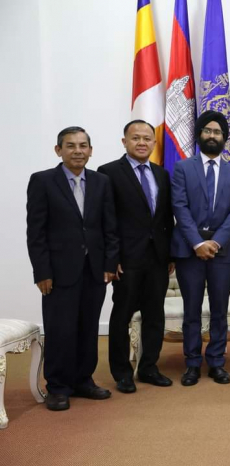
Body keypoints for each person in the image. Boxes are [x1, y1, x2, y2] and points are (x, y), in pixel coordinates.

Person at [26, 126, 119, 411]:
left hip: (94, 270)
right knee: (60, 330)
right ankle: (57, 386)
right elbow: (36, 232)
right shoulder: (43, 181)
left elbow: (110, 227)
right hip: (58, 272)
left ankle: (83, 380)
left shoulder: (101, 182)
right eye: (70, 145)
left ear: (90, 150)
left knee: (88, 328)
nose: (77, 151)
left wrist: (109, 263)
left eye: (83, 145)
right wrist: (42, 272)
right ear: (59, 150)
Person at [97, 120, 174, 394]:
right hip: (126, 259)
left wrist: (170, 254)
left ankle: (149, 367)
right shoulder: (108, 172)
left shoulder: (161, 174)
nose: (142, 142)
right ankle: (122, 372)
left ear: (154, 143)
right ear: (124, 142)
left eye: (147, 138)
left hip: (157, 258)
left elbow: (166, 217)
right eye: (135, 138)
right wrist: (111, 257)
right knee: (122, 315)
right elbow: (106, 219)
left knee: (155, 315)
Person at [170, 110, 230, 386]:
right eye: (208, 131)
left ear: (224, 138)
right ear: (199, 134)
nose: (212, 136)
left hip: (222, 252)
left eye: (217, 132)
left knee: (219, 310)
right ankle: (192, 363)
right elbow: (179, 206)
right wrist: (198, 242)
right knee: (191, 310)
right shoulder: (182, 168)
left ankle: (216, 362)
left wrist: (215, 242)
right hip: (189, 250)